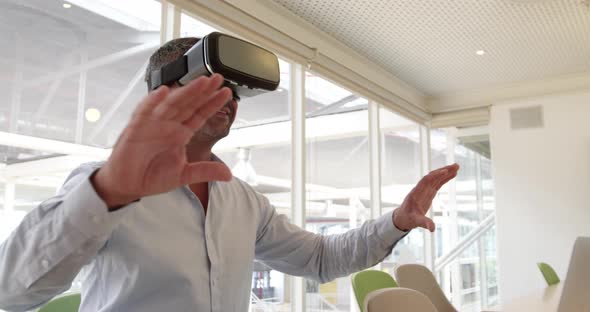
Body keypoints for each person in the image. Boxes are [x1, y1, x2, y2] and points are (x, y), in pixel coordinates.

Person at [0, 37, 459, 312]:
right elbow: (14, 289)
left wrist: (396, 222)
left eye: (237, 92)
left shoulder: (241, 200)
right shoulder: (102, 185)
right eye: (215, 87)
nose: (232, 101)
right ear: (165, 94)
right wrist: (109, 192)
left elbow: (320, 259)